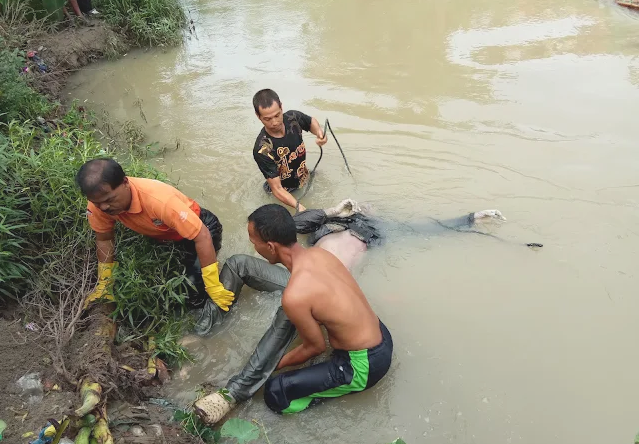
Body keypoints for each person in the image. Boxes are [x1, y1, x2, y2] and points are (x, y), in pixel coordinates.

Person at [192, 200, 508, 424]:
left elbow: (313, 348)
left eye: (254, 240)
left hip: (365, 365)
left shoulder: (295, 294)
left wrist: (274, 368)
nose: (254, 247)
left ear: (271, 247)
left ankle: (317, 393)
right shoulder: (320, 257)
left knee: (276, 396)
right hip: (379, 333)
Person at [75, 158, 234, 311]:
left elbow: (202, 236)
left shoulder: (160, 201)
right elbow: (104, 239)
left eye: (110, 199)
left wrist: (213, 285)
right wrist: (105, 282)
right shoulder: (99, 205)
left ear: (125, 183)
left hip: (202, 228)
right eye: (97, 202)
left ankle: (203, 321)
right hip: (165, 235)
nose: (103, 207)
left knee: (193, 289)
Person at [252, 89, 328, 212]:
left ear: (281, 107)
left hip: (304, 177)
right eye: (267, 119)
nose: (274, 122)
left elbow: (310, 122)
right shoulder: (263, 150)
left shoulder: (293, 118)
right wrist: (300, 208)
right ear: (258, 116)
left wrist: (320, 134)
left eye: (277, 115)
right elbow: (277, 189)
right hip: (285, 193)